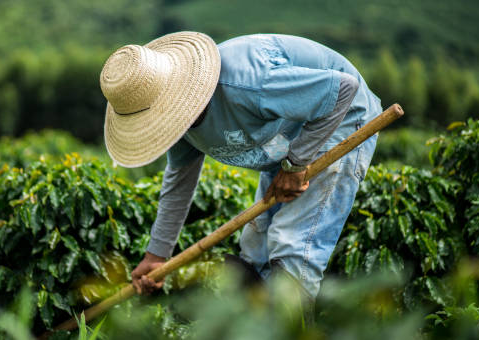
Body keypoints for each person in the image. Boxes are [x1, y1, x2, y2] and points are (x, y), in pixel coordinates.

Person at [99, 31, 381, 309]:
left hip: (340, 122)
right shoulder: (179, 125)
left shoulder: (246, 85)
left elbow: (342, 89)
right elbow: (179, 182)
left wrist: (296, 164)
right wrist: (156, 255)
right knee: (253, 251)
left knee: (292, 248)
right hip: (285, 143)